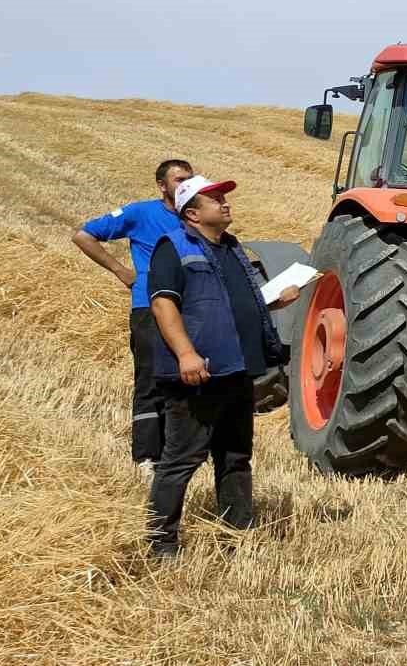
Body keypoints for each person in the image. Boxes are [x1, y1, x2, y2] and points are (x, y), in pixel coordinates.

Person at [144, 175, 302, 558]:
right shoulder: (174, 247)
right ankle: (161, 543)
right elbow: (163, 303)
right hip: (200, 372)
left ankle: (236, 536)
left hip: (237, 370)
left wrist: (275, 302)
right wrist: (185, 354)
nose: (224, 202)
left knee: (235, 457)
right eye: (215, 198)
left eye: (224, 196)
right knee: (181, 460)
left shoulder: (231, 249)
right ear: (193, 213)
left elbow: (234, 302)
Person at [72, 158, 195, 468]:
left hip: (190, 309)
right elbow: (84, 235)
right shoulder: (141, 212)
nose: (185, 185)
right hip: (149, 306)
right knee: (150, 379)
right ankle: (146, 457)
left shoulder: (194, 217)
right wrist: (120, 270)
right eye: (179, 180)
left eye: (189, 179)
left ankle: (177, 452)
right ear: (162, 185)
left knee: (185, 379)